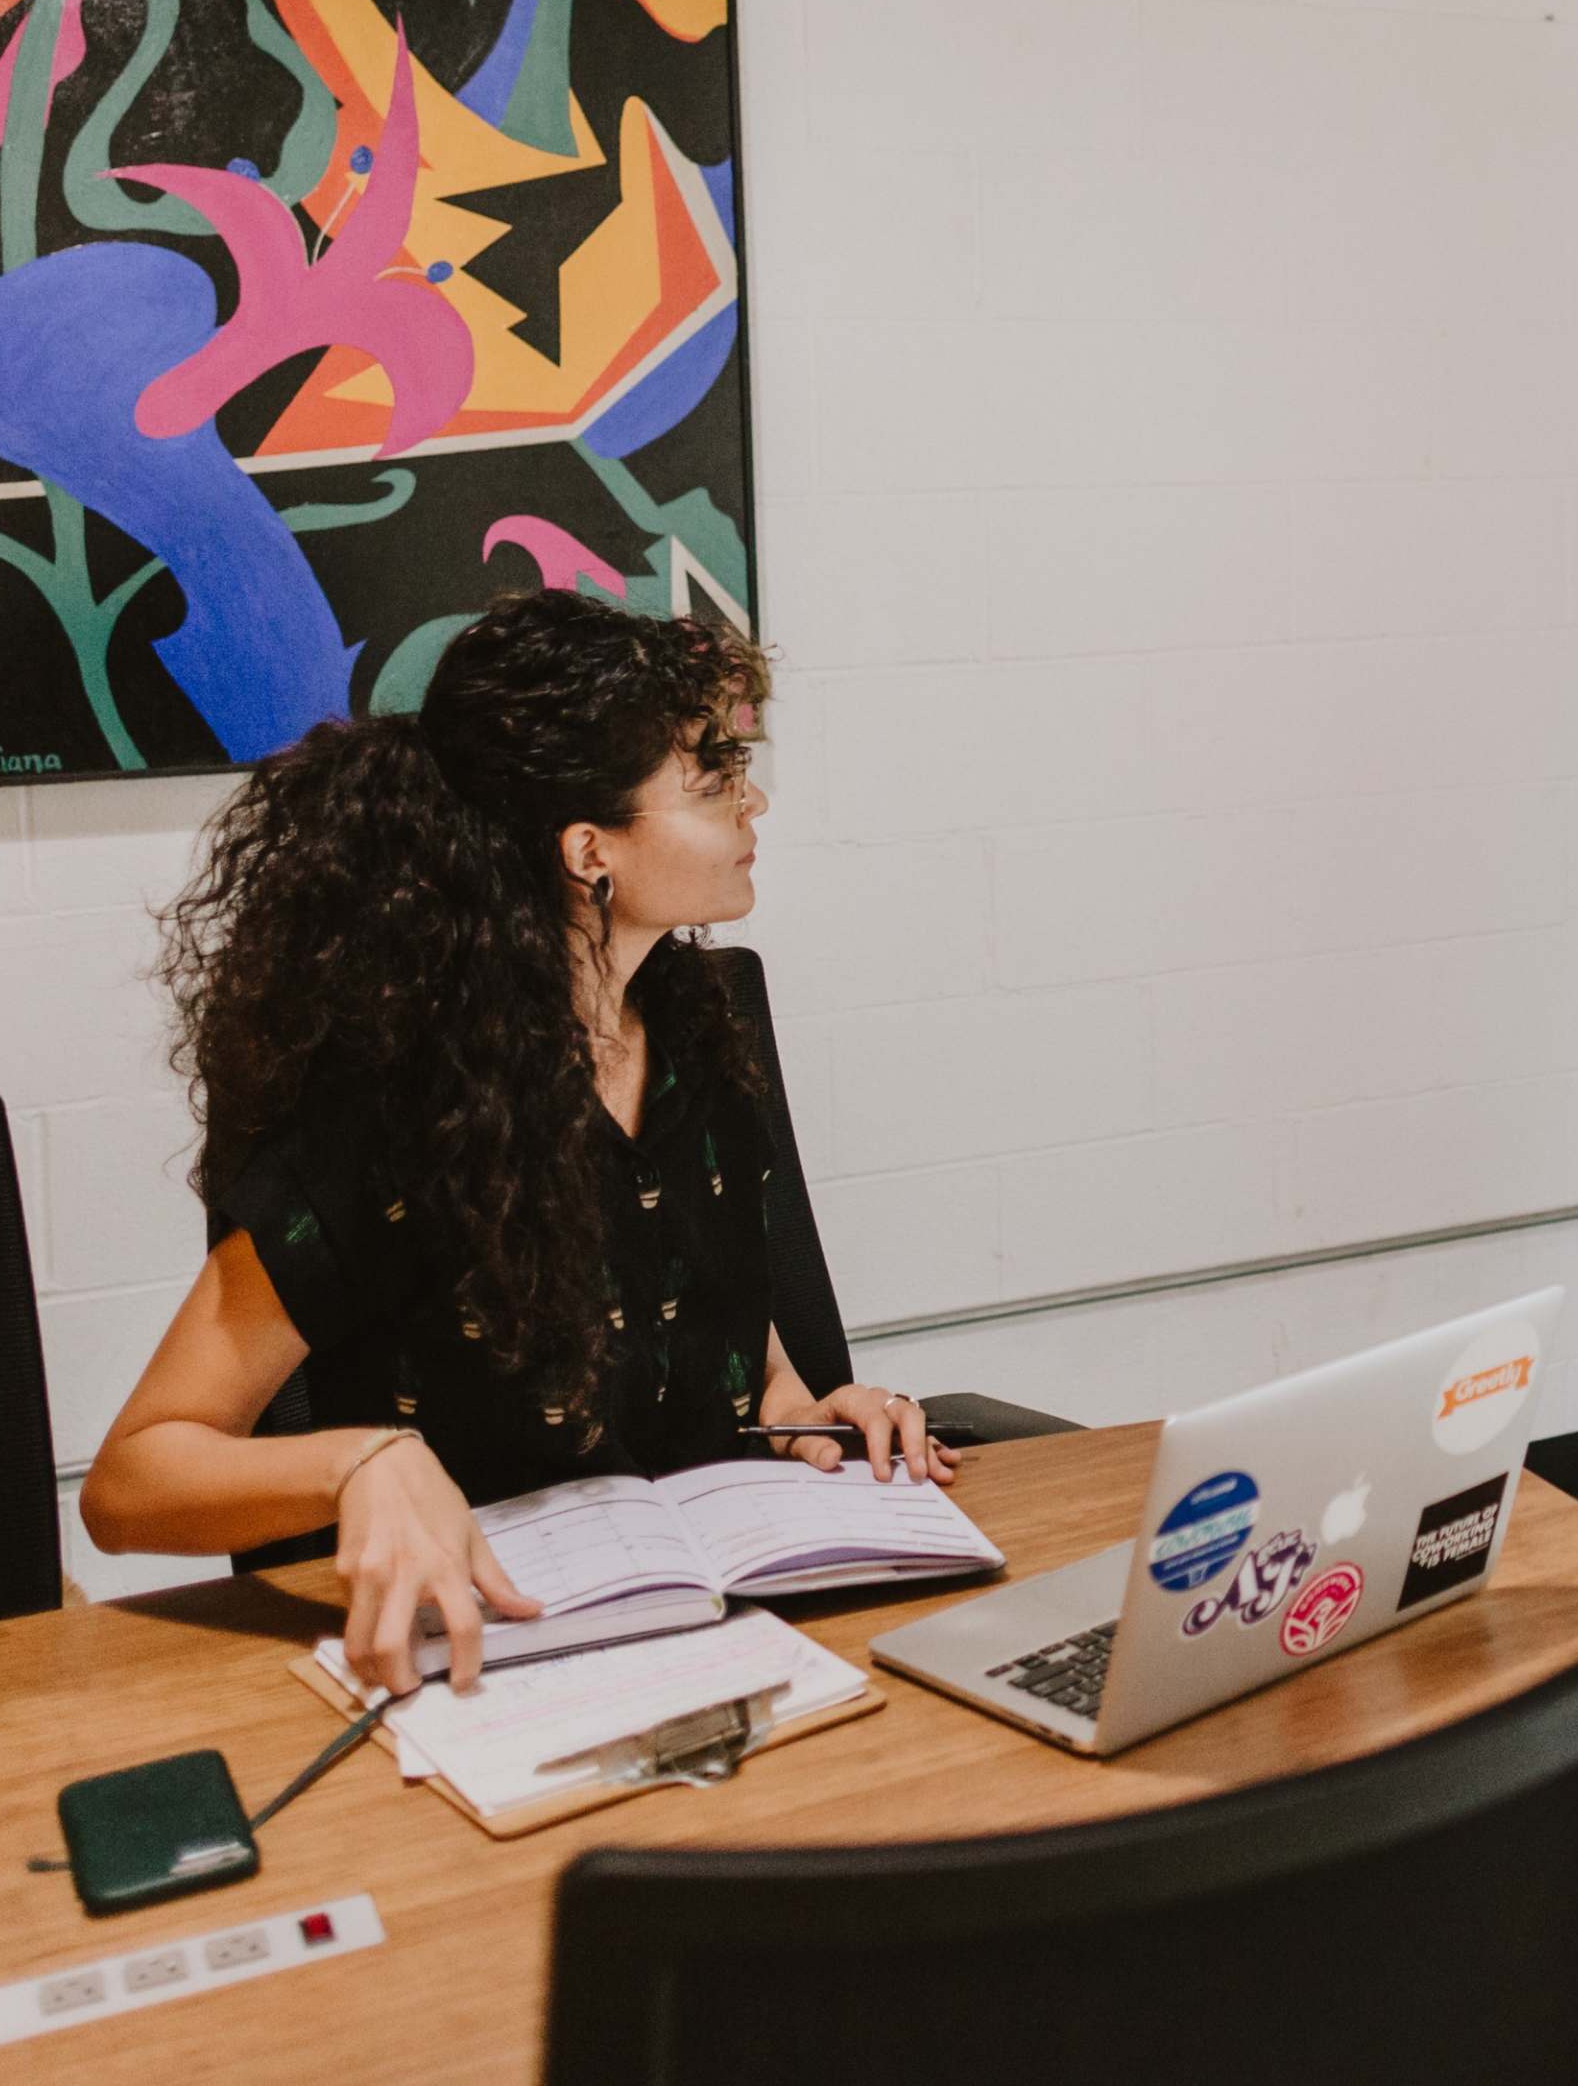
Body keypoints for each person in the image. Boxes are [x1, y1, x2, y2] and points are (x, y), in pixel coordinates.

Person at [79, 591, 955, 1696]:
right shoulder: (394, 1104)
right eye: (713, 778)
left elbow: (737, 1339)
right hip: (489, 1667)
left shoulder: (698, 1025)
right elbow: (129, 1482)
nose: (756, 803)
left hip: (740, 1642)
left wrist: (805, 1414)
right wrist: (363, 1462)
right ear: (590, 848)